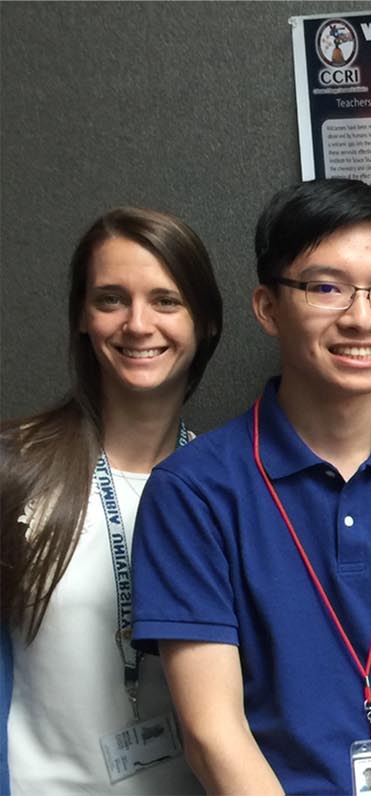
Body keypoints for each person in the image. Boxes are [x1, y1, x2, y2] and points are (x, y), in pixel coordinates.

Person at [129, 179, 371, 795]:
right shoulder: (193, 494)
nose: (362, 317)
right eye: (327, 287)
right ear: (268, 307)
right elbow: (212, 731)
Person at [0, 208, 223, 793]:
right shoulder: (14, 469)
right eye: (110, 299)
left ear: (205, 322)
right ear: (81, 316)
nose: (138, 324)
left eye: (166, 301)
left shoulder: (226, 491)